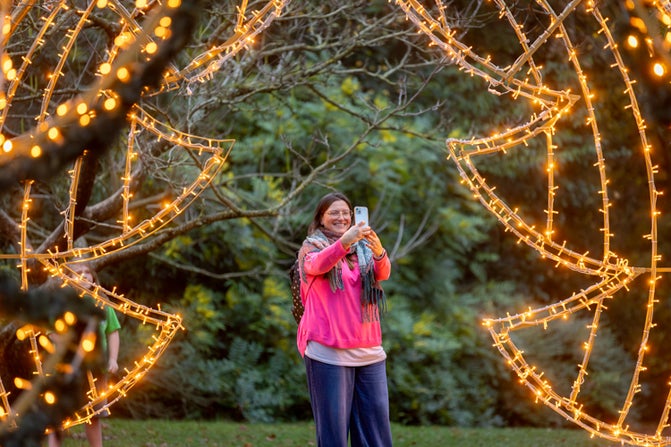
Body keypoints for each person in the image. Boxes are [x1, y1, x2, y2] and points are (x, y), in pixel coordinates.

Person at [296, 192, 393, 447]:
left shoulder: (363, 249)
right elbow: (317, 266)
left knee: (376, 436)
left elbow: (383, 274)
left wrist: (379, 250)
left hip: (369, 349)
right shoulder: (311, 246)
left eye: (345, 213)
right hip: (328, 351)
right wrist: (343, 244)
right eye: (334, 212)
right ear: (321, 218)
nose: (341, 217)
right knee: (333, 436)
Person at [48, 263, 120, 447]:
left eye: (87, 272)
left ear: (94, 278)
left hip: (97, 370)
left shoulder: (103, 305)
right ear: (67, 279)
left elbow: (112, 332)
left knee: (94, 415)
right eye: (77, 272)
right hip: (68, 368)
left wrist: (112, 358)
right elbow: (51, 332)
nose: (84, 276)